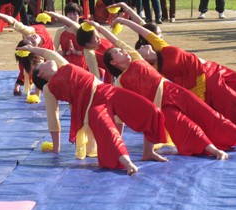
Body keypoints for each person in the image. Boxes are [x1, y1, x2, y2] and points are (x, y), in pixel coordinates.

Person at [97, 21, 236, 159]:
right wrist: (115, 143)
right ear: (113, 63)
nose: (122, 50)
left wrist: (102, 27)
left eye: (121, 49)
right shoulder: (121, 83)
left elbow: (118, 40)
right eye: (118, 52)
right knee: (188, 128)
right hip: (164, 107)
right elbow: (120, 116)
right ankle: (214, 150)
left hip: (175, 91)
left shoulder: (136, 58)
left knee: (210, 115)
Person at [27, 46, 167, 175]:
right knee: (109, 132)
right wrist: (56, 147)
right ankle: (127, 162)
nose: (46, 61)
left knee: (152, 110)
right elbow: (53, 117)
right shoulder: (48, 88)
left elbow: (49, 53)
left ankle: (148, 151)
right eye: (42, 64)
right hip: (92, 106)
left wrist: (31, 48)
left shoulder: (63, 65)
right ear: (41, 74)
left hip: (108, 91)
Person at [120, 17, 236, 130]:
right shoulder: (154, 69)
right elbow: (124, 49)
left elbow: (142, 27)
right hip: (205, 82)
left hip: (213, 68)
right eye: (140, 49)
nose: (143, 46)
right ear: (143, 58)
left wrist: (123, 19)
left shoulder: (160, 45)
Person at [0, 12, 54, 96]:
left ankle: (31, 87)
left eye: (27, 38)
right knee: (28, 66)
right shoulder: (35, 53)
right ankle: (19, 83)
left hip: (46, 48)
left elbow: (13, 22)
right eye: (28, 40)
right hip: (35, 53)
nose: (30, 38)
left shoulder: (30, 32)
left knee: (42, 71)